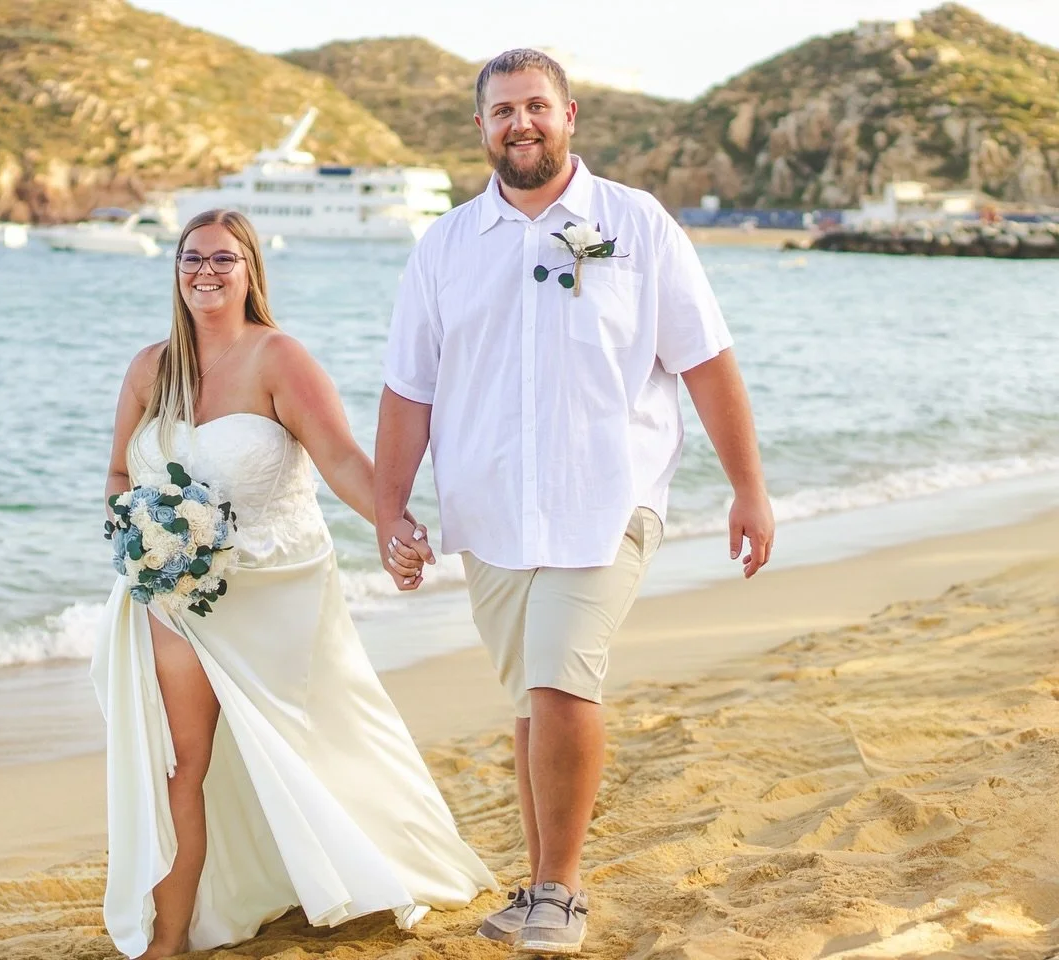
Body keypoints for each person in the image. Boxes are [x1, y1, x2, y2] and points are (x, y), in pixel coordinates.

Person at [374, 49, 775, 956]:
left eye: (535, 107)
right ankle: (538, 879)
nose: (521, 123)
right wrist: (389, 510)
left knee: (560, 680)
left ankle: (559, 891)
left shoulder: (635, 224)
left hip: (610, 496)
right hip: (491, 509)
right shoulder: (443, 248)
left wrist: (748, 488)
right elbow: (409, 392)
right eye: (502, 111)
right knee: (532, 699)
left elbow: (707, 363)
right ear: (479, 128)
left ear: (569, 115)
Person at [91, 209, 495, 960]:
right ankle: (169, 939)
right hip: (175, 597)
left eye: (223, 259)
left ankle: (372, 863)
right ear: (174, 271)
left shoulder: (279, 358)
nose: (205, 272)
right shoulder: (151, 368)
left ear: (251, 271)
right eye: (191, 259)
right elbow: (120, 475)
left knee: (318, 737)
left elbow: (340, 459)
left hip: (275, 590)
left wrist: (394, 526)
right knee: (182, 758)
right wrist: (138, 540)